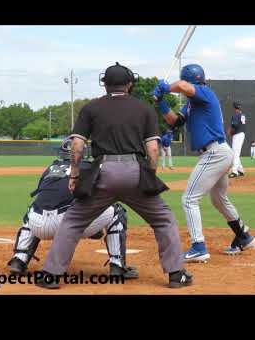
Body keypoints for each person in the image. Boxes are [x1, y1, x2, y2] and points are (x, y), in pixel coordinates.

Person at [36, 62, 192, 289]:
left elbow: (77, 145)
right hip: (134, 172)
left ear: (105, 84)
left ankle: (51, 275)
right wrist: (148, 175)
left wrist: (75, 175)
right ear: (129, 84)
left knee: (73, 221)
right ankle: (176, 274)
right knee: (164, 219)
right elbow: (153, 150)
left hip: (103, 173)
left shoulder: (91, 108)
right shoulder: (144, 108)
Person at [152, 63, 255, 262]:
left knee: (189, 199)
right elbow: (175, 121)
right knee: (219, 199)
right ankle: (244, 236)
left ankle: (198, 246)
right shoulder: (191, 104)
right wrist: (161, 103)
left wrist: (166, 87)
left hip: (214, 153)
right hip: (218, 153)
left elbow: (183, 87)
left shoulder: (204, 93)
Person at [7, 135, 138, 279]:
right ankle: (117, 266)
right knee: (117, 210)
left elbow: (42, 193)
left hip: (37, 226)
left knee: (34, 208)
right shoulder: (91, 167)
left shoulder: (51, 167)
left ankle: (19, 260)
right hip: (67, 225)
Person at [228, 102, 247, 178]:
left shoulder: (236, 114)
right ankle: (240, 170)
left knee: (235, 153)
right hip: (241, 134)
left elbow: (234, 125)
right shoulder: (243, 115)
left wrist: (230, 132)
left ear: (234, 107)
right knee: (235, 152)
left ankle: (234, 171)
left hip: (237, 134)